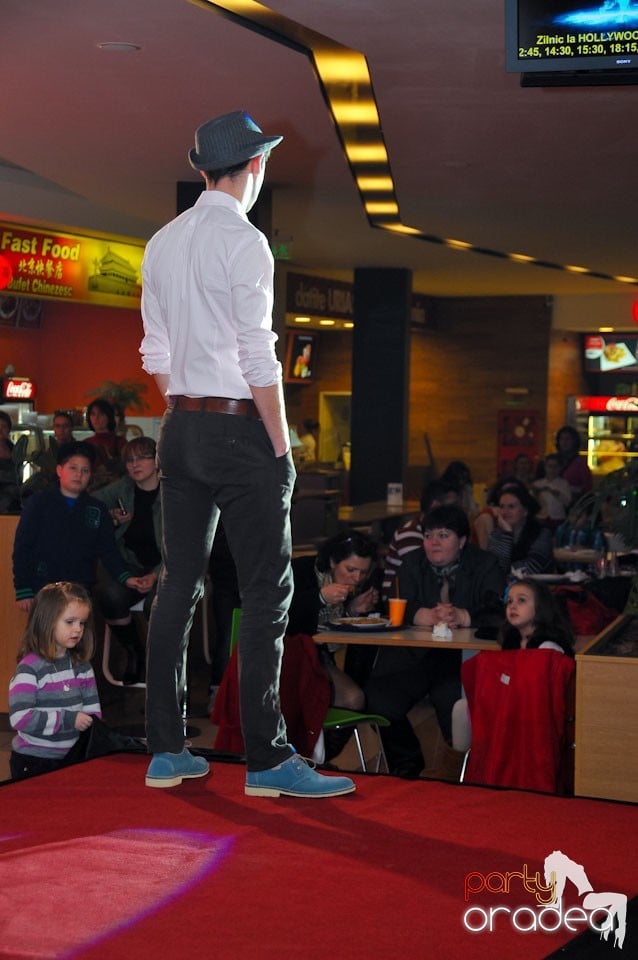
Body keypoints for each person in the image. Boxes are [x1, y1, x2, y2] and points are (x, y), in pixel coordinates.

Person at [139, 109, 354, 798]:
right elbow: (258, 354)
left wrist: (188, 410)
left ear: (205, 168)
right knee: (267, 590)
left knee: (179, 583)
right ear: (256, 166)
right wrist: (279, 446)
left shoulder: (162, 242)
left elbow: (155, 354)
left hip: (180, 426)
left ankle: (166, 750)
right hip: (239, 430)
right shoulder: (246, 240)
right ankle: (267, 759)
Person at [365, 504, 505, 779]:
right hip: (415, 656)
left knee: (451, 703)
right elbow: (392, 604)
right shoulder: (412, 563)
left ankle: (462, 771)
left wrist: (465, 615)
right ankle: (407, 763)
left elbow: (500, 610)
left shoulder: (485, 564)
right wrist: (420, 614)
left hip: (462, 660)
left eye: (443, 535)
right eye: (428, 536)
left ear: (462, 541)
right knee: (377, 698)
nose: (433, 543)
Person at [12, 440, 144, 612]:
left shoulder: (97, 509)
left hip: (81, 588)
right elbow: (23, 547)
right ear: (59, 470)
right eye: (73, 468)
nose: (79, 474)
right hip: (43, 587)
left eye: (85, 470)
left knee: (79, 627)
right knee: (46, 629)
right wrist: (23, 589)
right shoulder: (39, 503)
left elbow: (108, 550)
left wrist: (125, 577)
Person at [8, 581, 101, 780]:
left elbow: (93, 711)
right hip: (34, 759)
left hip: (73, 757)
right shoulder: (30, 668)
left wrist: (93, 729)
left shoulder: (83, 666)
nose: (78, 629)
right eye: (70, 622)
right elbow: (20, 718)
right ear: (46, 621)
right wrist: (69, 720)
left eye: (82, 623)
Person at [93, 436, 162, 684]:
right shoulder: (124, 487)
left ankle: (161, 667)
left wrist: (155, 574)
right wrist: (110, 515)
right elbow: (90, 503)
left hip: (166, 568)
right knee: (108, 595)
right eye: (130, 460)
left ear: (157, 459)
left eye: (142, 457)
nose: (135, 464)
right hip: (129, 565)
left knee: (157, 606)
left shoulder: (173, 491)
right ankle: (134, 652)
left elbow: (184, 547)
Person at [288, 529, 380, 713]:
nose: (357, 578)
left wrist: (353, 609)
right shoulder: (299, 570)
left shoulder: (361, 583)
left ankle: (324, 735)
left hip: (319, 658)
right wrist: (319, 597)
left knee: (356, 699)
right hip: (287, 655)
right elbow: (281, 615)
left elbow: (331, 625)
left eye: (363, 572)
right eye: (350, 570)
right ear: (332, 562)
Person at [381, 478, 460, 598]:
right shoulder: (409, 534)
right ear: (436, 505)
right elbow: (424, 575)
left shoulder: (422, 529)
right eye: (453, 506)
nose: (458, 511)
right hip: (399, 601)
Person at [487, 481, 554, 576]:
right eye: (502, 507)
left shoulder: (542, 533)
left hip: (537, 585)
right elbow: (495, 570)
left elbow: (531, 568)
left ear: (525, 511)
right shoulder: (496, 535)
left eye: (511, 506)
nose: (505, 512)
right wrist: (507, 534)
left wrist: (507, 571)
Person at [85, 397, 126, 489]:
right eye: (93, 414)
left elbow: (125, 467)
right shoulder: (86, 443)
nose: (96, 418)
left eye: (101, 414)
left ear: (109, 417)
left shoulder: (120, 442)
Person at [531, 452, 572, 527]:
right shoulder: (537, 484)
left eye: (555, 467)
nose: (552, 469)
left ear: (560, 468)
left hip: (558, 518)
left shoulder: (564, 484)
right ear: (545, 467)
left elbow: (568, 502)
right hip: (541, 518)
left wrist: (558, 494)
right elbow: (531, 502)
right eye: (549, 466)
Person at [554, 424, 592, 502]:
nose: (564, 442)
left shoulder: (580, 464)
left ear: (574, 441)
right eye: (562, 439)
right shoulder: (553, 461)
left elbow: (587, 487)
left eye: (568, 439)